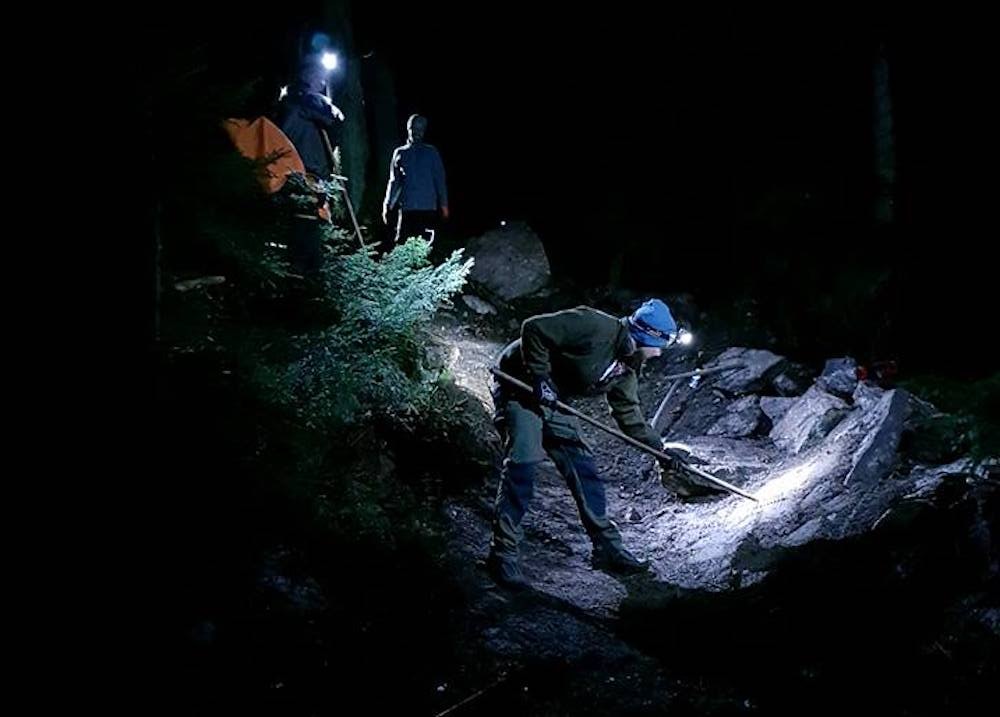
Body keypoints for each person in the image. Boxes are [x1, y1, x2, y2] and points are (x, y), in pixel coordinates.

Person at [486, 299, 717, 590]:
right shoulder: (594, 325)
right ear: (644, 335)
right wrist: (540, 376)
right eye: (658, 345)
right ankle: (502, 554)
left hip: (554, 399)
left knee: (584, 469)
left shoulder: (627, 368)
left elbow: (630, 416)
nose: (658, 354)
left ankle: (607, 548)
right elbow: (534, 328)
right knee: (523, 464)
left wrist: (661, 451)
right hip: (519, 387)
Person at [381, 114, 448, 249]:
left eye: (421, 129)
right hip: (408, 209)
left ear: (424, 131)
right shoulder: (400, 153)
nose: (417, 133)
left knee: (425, 247)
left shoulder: (432, 153)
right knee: (404, 248)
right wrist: (387, 204)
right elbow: (394, 181)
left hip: (427, 208)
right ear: (408, 129)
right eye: (414, 129)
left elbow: (440, 180)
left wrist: (444, 204)